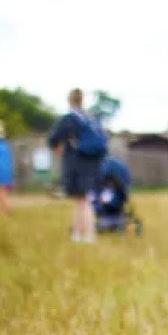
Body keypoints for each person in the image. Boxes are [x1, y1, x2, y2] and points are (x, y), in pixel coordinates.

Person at [48, 89, 107, 243]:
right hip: (93, 163)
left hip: (76, 162)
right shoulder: (90, 118)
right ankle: (78, 234)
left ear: (69, 100)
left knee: (83, 200)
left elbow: (53, 139)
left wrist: (57, 148)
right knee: (81, 199)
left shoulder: (69, 119)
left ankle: (88, 235)